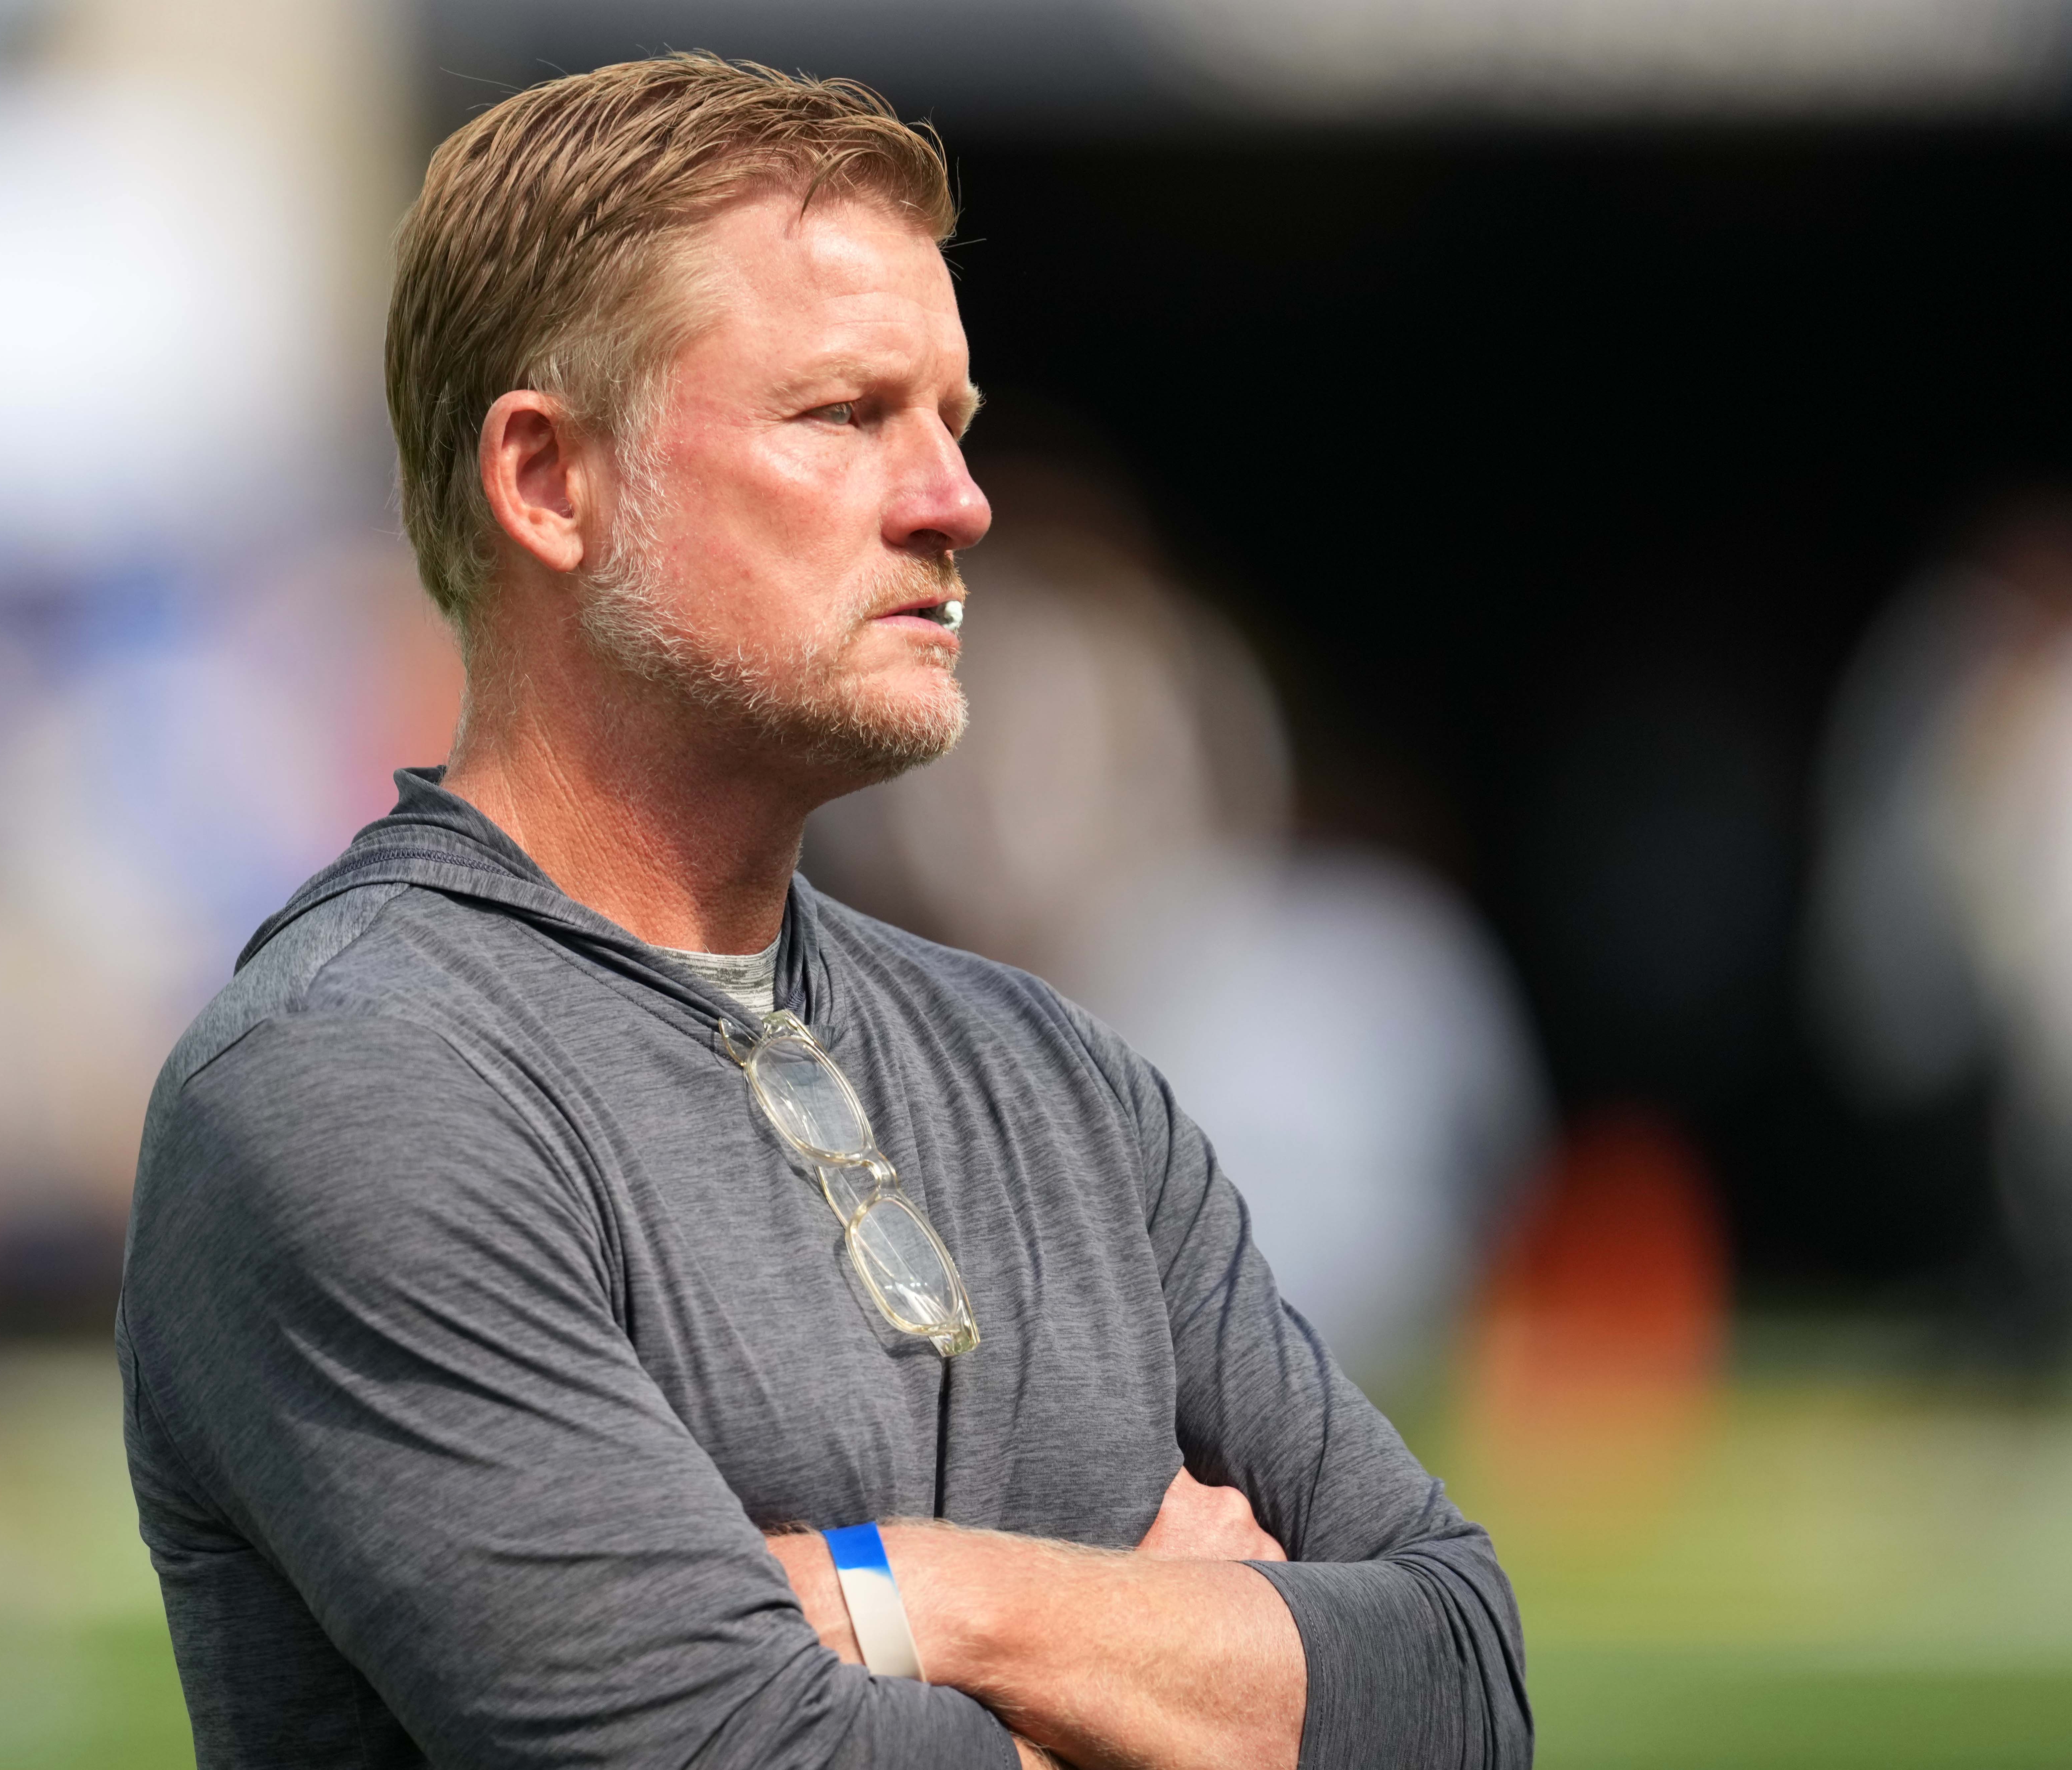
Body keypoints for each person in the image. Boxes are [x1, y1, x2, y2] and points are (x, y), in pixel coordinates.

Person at [119, 53, 1527, 1770]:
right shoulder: (351, 1083)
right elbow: (734, 1756)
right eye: (845, 415)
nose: (954, 498)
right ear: (549, 481)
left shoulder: (1056, 1073)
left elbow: (1458, 1691)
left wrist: (914, 1595)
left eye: (954, 418)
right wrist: (1179, 1666)